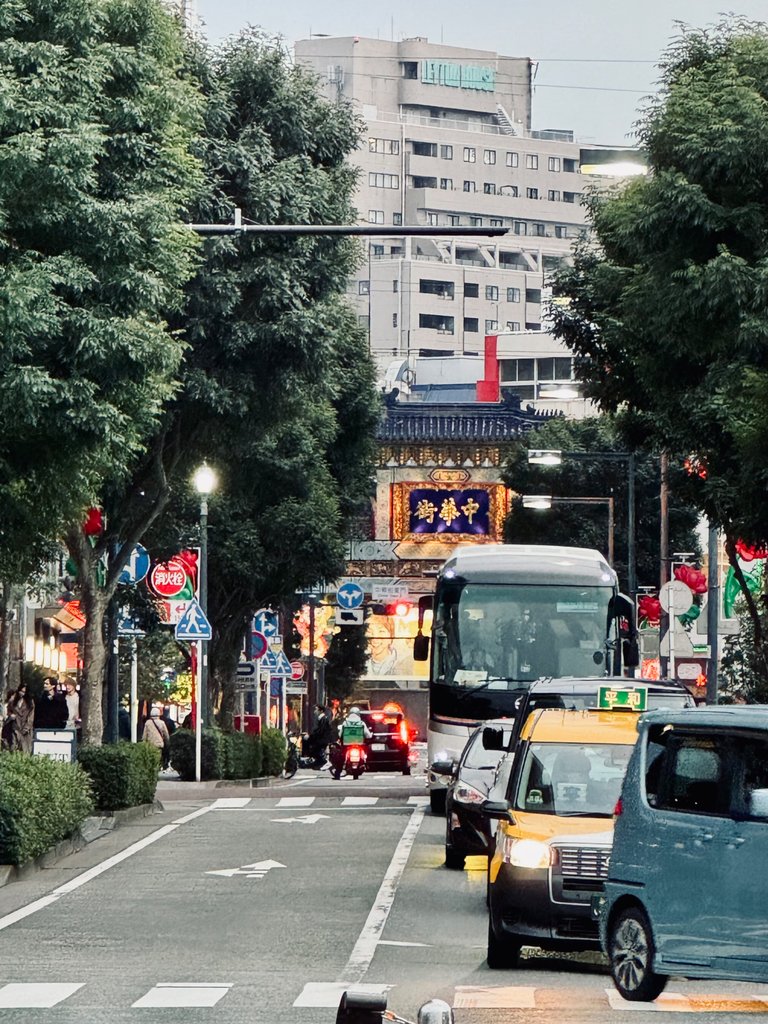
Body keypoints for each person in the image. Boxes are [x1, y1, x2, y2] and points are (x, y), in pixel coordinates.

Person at [330, 705, 372, 778]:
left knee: (341, 759)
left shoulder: (345, 723)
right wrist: (370, 735)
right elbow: (368, 735)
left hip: (346, 745)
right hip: (359, 744)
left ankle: (337, 774)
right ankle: (364, 765)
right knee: (365, 754)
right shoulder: (362, 723)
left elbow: (340, 734)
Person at [4, 683, 35, 753]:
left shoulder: (30, 702)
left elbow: (31, 717)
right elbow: (8, 710)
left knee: (25, 750)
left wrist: (26, 728)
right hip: (15, 728)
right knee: (14, 749)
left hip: (25, 730)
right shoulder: (13, 701)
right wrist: (11, 715)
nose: (22, 693)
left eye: (24, 692)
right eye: (21, 691)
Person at [305, 704, 333, 769]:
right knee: (313, 748)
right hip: (321, 739)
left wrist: (310, 736)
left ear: (321, 711)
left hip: (322, 740)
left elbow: (320, 731)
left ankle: (325, 762)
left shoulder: (323, 719)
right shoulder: (321, 718)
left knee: (314, 749)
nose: (314, 711)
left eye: (316, 709)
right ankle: (318, 763)